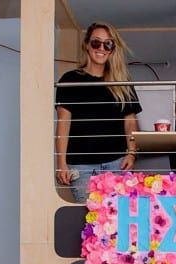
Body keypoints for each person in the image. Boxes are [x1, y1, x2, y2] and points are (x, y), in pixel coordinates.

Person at [55, 22, 141, 202]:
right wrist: (61, 163)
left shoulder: (122, 82)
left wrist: (131, 153)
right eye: (96, 42)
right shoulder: (70, 80)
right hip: (81, 166)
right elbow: (63, 123)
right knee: (92, 222)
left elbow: (130, 122)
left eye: (107, 44)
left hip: (117, 163)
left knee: (119, 221)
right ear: (87, 45)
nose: (101, 48)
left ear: (112, 49)